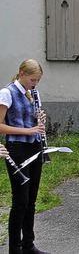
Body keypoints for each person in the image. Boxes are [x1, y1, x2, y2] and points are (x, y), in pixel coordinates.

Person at [0, 59, 49, 254]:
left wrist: (40, 119)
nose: (34, 84)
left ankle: (29, 244)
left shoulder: (33, 93)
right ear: (21, 74)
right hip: (17, 148)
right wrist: (28, 131)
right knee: (20, 200)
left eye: (37, 80)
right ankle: (15, 248)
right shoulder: (7, 93)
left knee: (31, 199)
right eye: (32, 79)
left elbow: (34, 119)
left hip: (34, 146)